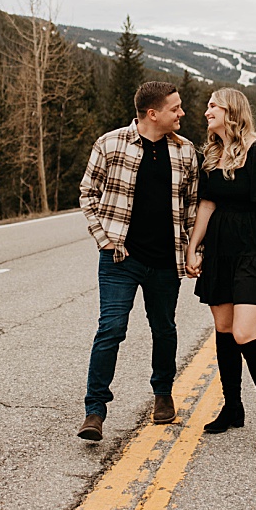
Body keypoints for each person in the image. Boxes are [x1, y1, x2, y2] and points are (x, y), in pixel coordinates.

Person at [77, 81, 200, 441]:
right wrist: (105, 240)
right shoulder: (110, 143)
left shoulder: (185, 151)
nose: (181, 113)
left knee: (164, 329)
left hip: (165, 260)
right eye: (175, 108)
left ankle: (163, 394)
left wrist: (194, 249)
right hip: (120, 259)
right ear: (153, 113)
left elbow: (192, 206)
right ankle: (94, 411)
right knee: (111, 330)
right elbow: (88, 193)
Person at [186, 88, 256, 448]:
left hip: (251, 251)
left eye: (213, 105)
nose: (206, 111)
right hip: (219, 251)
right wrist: (193, 246)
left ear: (232, 111)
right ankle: (232, 407)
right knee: (224, 328)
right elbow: (208, 205)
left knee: (245, 333)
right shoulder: (211, 155)